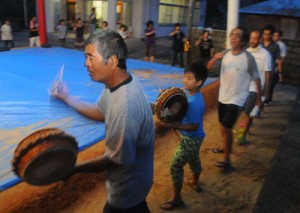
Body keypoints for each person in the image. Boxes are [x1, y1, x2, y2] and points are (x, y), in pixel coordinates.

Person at [53, 30, 154, 213]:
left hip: (127, 193)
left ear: (113, 60)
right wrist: (68, 98)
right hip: (136, 185)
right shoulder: (117, 83)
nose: (86, 64)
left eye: (91, 58)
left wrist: (74, 168)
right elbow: (101, 112)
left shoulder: (125, 106)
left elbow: (116, 160)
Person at [207, 27, 260, 168]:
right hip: (223, 97)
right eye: (231, 35)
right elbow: (208, 67)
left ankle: (227, 159)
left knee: (226, 127)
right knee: (222, 127)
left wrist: (259, 98)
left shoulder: (248, 58)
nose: (232, 38)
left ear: (243, 41)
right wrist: (214, 58)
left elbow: (256, 78)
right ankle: (225, 147)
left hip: (237, 99)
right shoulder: (224, 54)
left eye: (237, 36)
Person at [160, 63, 207, 210]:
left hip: (191, 138)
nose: (185, 80)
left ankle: (177, 198)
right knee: (193, 159)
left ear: (198, 82)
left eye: (189, 78)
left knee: (175, 165)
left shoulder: (193, 103)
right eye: (184, 77)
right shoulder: (194, 95)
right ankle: (195, 182)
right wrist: (169, 99)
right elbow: (182, 107)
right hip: (196, 138)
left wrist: (174, 126)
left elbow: (193, 125)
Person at [237, 30, 272, 144]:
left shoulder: (265, 54)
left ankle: (241, 134)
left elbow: (267, 73)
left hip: (255, 89)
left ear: (260, 39)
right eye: (251, 38)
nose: (252, 41)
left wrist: (266, 91)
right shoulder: (245, 52)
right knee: (244, 112)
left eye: (255, 38)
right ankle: (242, 132)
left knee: (248, 113)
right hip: (243, 88)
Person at [261, 24, 281, 103]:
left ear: (272, 35)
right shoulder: (259, 44)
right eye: (264, 34)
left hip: (269, 71)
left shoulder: (275, 46)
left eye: (268, 34)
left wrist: (278, 70)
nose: (265, 36)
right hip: (259, 70)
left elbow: (279, 59)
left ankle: (263, 103)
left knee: (267, 89)